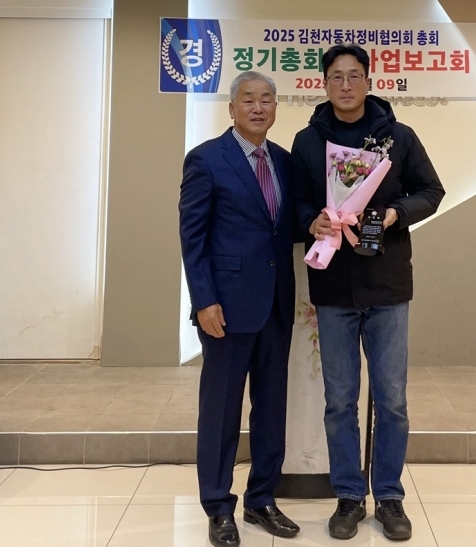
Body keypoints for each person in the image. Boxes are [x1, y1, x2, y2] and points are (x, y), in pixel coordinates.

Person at [291, 44, 445, 541]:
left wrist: (397, 212)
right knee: (339, 401)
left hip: (387, 284)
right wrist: (311, 220)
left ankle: (390, 497)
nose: (345, 85)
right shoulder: (308, 141)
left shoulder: (399, 137)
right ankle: (349, 497)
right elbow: (295, 203)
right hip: (333, 288)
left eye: (354, 76)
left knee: (392, 399)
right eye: (336, 77)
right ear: (324, 84)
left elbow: (432, 191)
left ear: (368, 81)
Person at [179, 71, 300, 547]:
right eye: (248, 99)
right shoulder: (207, 159)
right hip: (225, 308)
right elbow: (193, 238)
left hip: (276, 304)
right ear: (232, 109)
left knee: (271, 409)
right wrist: (204, 300)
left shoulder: (285, 161)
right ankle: (217, 505)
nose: (257, 107)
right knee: (222, 411)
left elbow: (286, 228)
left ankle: (262, 499)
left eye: (266, 100)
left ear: (275, 109)